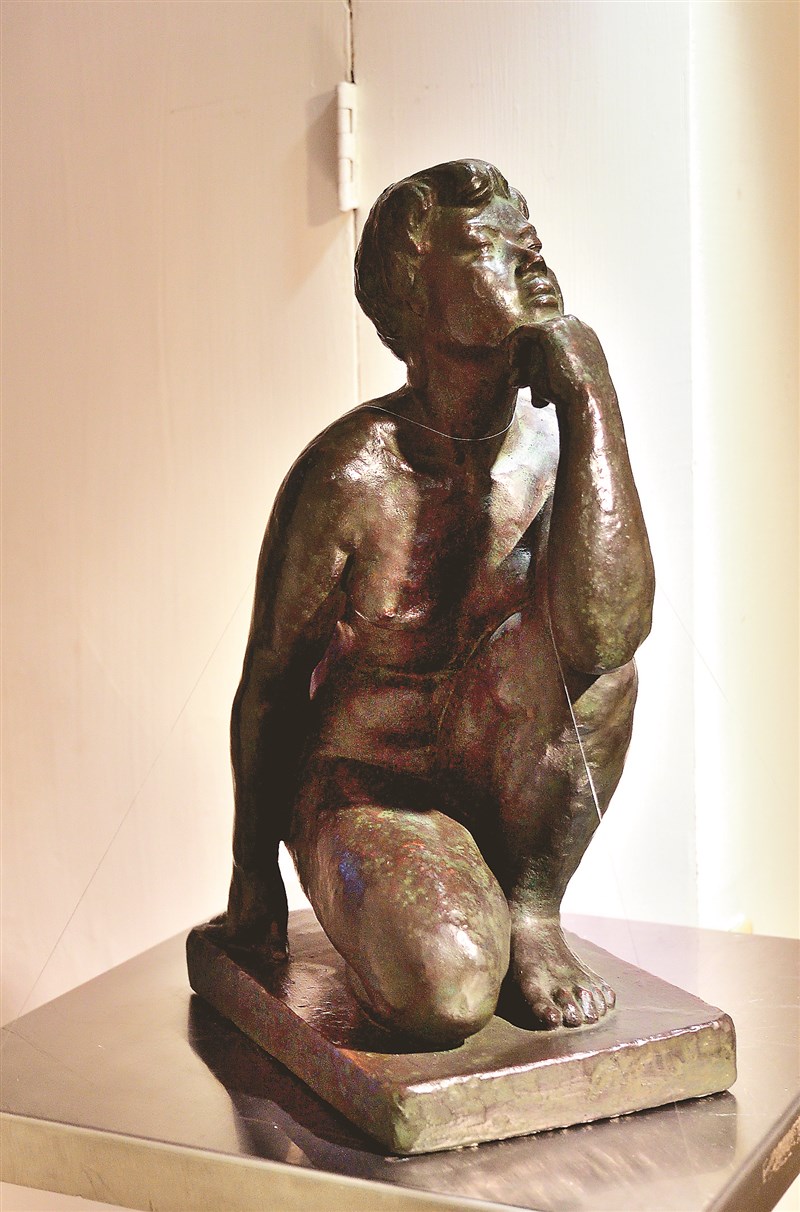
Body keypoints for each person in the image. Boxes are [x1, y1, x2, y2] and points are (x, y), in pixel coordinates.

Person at [220, 160, 655, 1046]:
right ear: (416, 293)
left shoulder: (558, 449)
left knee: (601, 660)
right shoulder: (352, 474)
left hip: (504, 779)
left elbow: (611, 631)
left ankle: (530, 910)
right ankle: (458, 920)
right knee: (447, 991)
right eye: (488, 243)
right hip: (372, 789)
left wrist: (591, 394)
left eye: (531, 237)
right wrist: (251, 869)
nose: (530, 254)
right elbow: (272, 680)